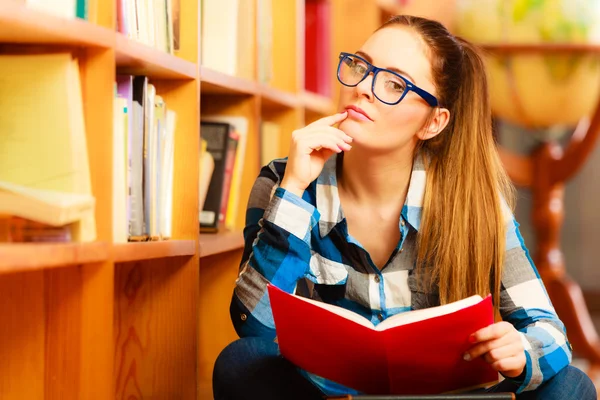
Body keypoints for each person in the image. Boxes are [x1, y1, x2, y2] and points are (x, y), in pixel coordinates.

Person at [213, 15, 597, 400]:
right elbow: (254, 327)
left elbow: (549, 332)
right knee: (241, 361)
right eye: (361, 66)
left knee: (571, 385)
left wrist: (522, 353)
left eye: (393, 83)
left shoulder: (475, 203)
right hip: (332, 396)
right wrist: (294, 189)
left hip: (445, 396)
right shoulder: (284, 182)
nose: (363, 87)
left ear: (434, 122)